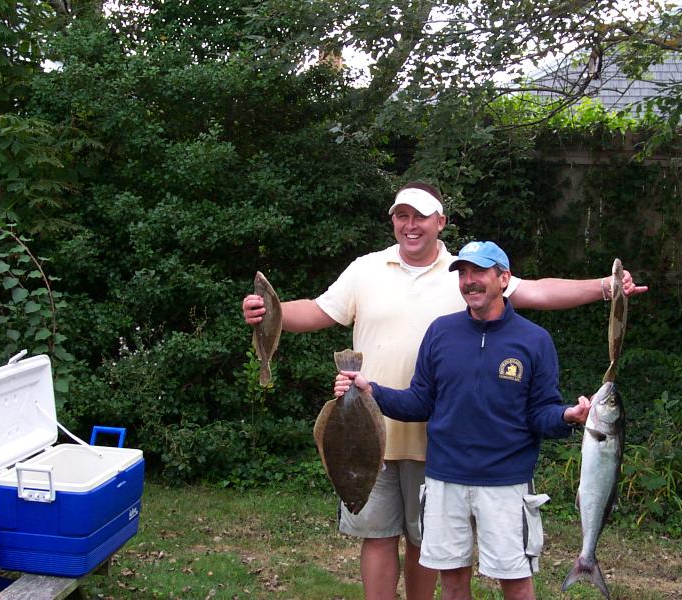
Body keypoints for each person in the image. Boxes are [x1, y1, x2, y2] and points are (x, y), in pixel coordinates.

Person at [241, 181, 646, 600]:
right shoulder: (367, 269)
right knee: (377, 536)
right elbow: (317, 310)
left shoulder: (467, 270)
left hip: (437, 446)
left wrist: (606, 286)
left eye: (420, 216)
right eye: (402, 216)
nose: (410, 225)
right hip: (370, 430)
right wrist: (271, 311)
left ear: (441, 222)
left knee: (426, 546)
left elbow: (540, 291)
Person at [333, 240, 590, 600]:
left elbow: (541, 412)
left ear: (504, 278)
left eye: (479, 272)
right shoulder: (441, 332)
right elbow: (419, 402)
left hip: (505, 482)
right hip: (444, 480)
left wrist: (567, 415)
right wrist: (370, 390)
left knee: (516, 585)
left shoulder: (534, 340)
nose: (469, 281)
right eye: (463, 273)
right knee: (453, 585)